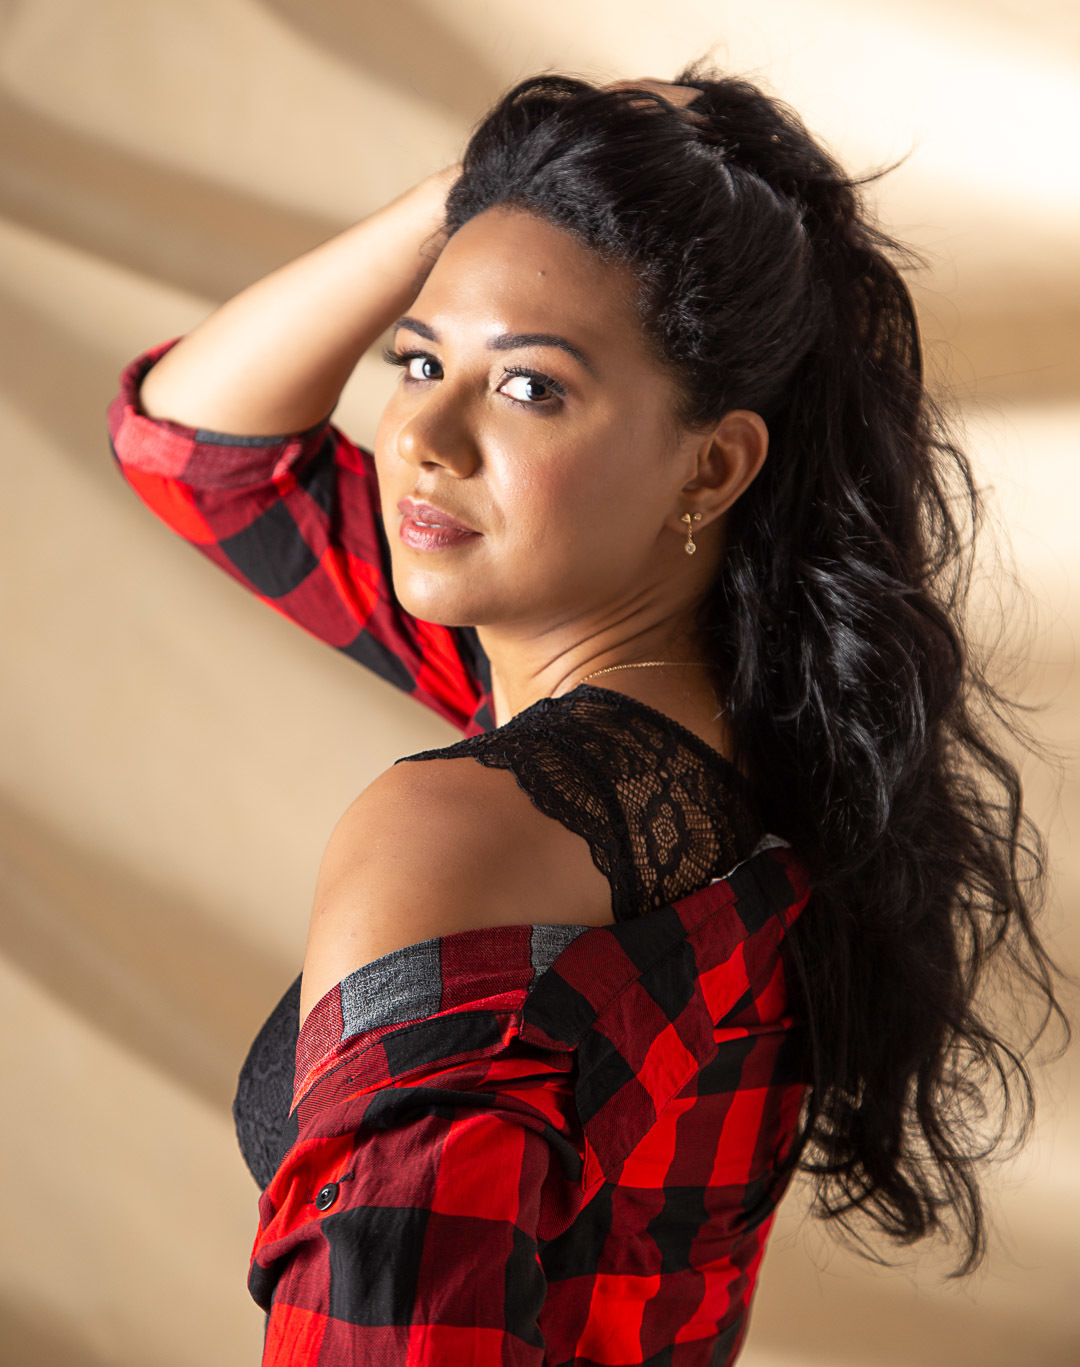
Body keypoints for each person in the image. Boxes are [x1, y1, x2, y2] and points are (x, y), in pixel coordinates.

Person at [104, 63, 1071, 1366]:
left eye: (530, 388)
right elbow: (198, 454)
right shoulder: (751, 728)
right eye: (418, 361)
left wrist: (486, 194)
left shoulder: (473, 833)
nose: (425, 439)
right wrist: (490, 190)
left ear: (711, 465)